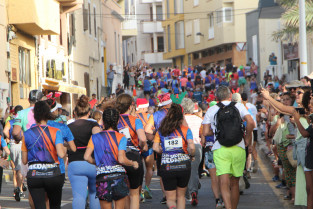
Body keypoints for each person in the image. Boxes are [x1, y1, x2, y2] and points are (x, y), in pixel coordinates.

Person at [202, 86, 254, 209]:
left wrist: (215, 131)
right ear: (230, 96)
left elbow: (205, 132)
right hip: (238, 147)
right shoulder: (239, 106)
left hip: (220, 149)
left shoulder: (211, 109)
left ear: (216, 97)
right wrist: (247, 138)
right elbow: (251, 123)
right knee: (235, 183)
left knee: (224, 183)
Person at [84, 106, 139, 209]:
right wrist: (133, 163)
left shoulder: (94, 137)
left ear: (103, 120)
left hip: (102, 177)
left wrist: (98, 162)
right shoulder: (121, 137)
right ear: (117, 120)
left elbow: (86, 157)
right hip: (118, 177)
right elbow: (122, 159)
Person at [21, 101, 66, 209]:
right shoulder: (56, 131)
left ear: (35, 115)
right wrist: (65, 148)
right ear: (48, 114)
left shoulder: (27, 133)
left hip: (35, 175)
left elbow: (24, 160)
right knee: (55, 206)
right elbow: (61, 153)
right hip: (53, 175)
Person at [153, 103, 195, 209]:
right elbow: (192, 147)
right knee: (181, 196)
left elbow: (155, 148)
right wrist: (191, 155)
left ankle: (172, 207)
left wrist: (163, 151)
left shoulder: (161, 131)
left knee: (170, 199)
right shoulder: (186, 130)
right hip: (184, 165)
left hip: (167, 165)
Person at [68, 95, 102, 209]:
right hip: (92, 163)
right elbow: (99, 138)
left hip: (75, 163)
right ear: (89, 113)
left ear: (75, 113)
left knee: (79, 196)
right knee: (95, 195)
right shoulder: (93, 125)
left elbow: (64, 144)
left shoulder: (69, 126)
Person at [116, 94, 148, 209]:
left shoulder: (113, 120)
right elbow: (143, 138)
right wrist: (142, 146)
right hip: (133, 155)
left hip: (118, 157)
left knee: (122, 193)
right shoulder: (135, 120)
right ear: (130, 107)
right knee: (134, 193)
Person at [12, 89, 44, 203]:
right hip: (45, 152)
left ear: (28, 100)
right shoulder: (44, 113)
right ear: (41, 100)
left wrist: (18, 139)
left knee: (33, 189)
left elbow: (15, 132)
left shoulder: (20, 113)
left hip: (28, 152)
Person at [145, 93, 173, 204]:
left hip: (162, 146)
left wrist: (154, 139)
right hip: (177, 146)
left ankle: (166, 195)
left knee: (162, 172)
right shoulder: (176, 113)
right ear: (169, 102)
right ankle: (175, 194)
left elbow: (147, 130)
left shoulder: (155, 115)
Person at [181, 98, 203, 206]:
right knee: (194, 170)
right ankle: (194, 191)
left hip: (184, 146)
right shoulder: (198, 119)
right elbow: (202, 134)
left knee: (184, 171)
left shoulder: (180, 120)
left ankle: (186, 194)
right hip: (197, 146)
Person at [3, 105, 25, 197]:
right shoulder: (23, 121)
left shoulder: (10, 121)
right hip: (20, 144)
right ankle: (19, 189)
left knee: (14, 169)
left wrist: (8, 137)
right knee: (20, 168)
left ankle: (15, 188)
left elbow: (5, 131)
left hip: (12, 144)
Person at [135, 98, 154, 201]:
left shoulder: (133, 116)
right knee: (149, 168)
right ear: (144, 107)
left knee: (138, 169)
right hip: (148, 144)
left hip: (136, 145)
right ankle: (146, 187)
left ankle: (139, 190)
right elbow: (151, 130)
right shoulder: (149, 116)